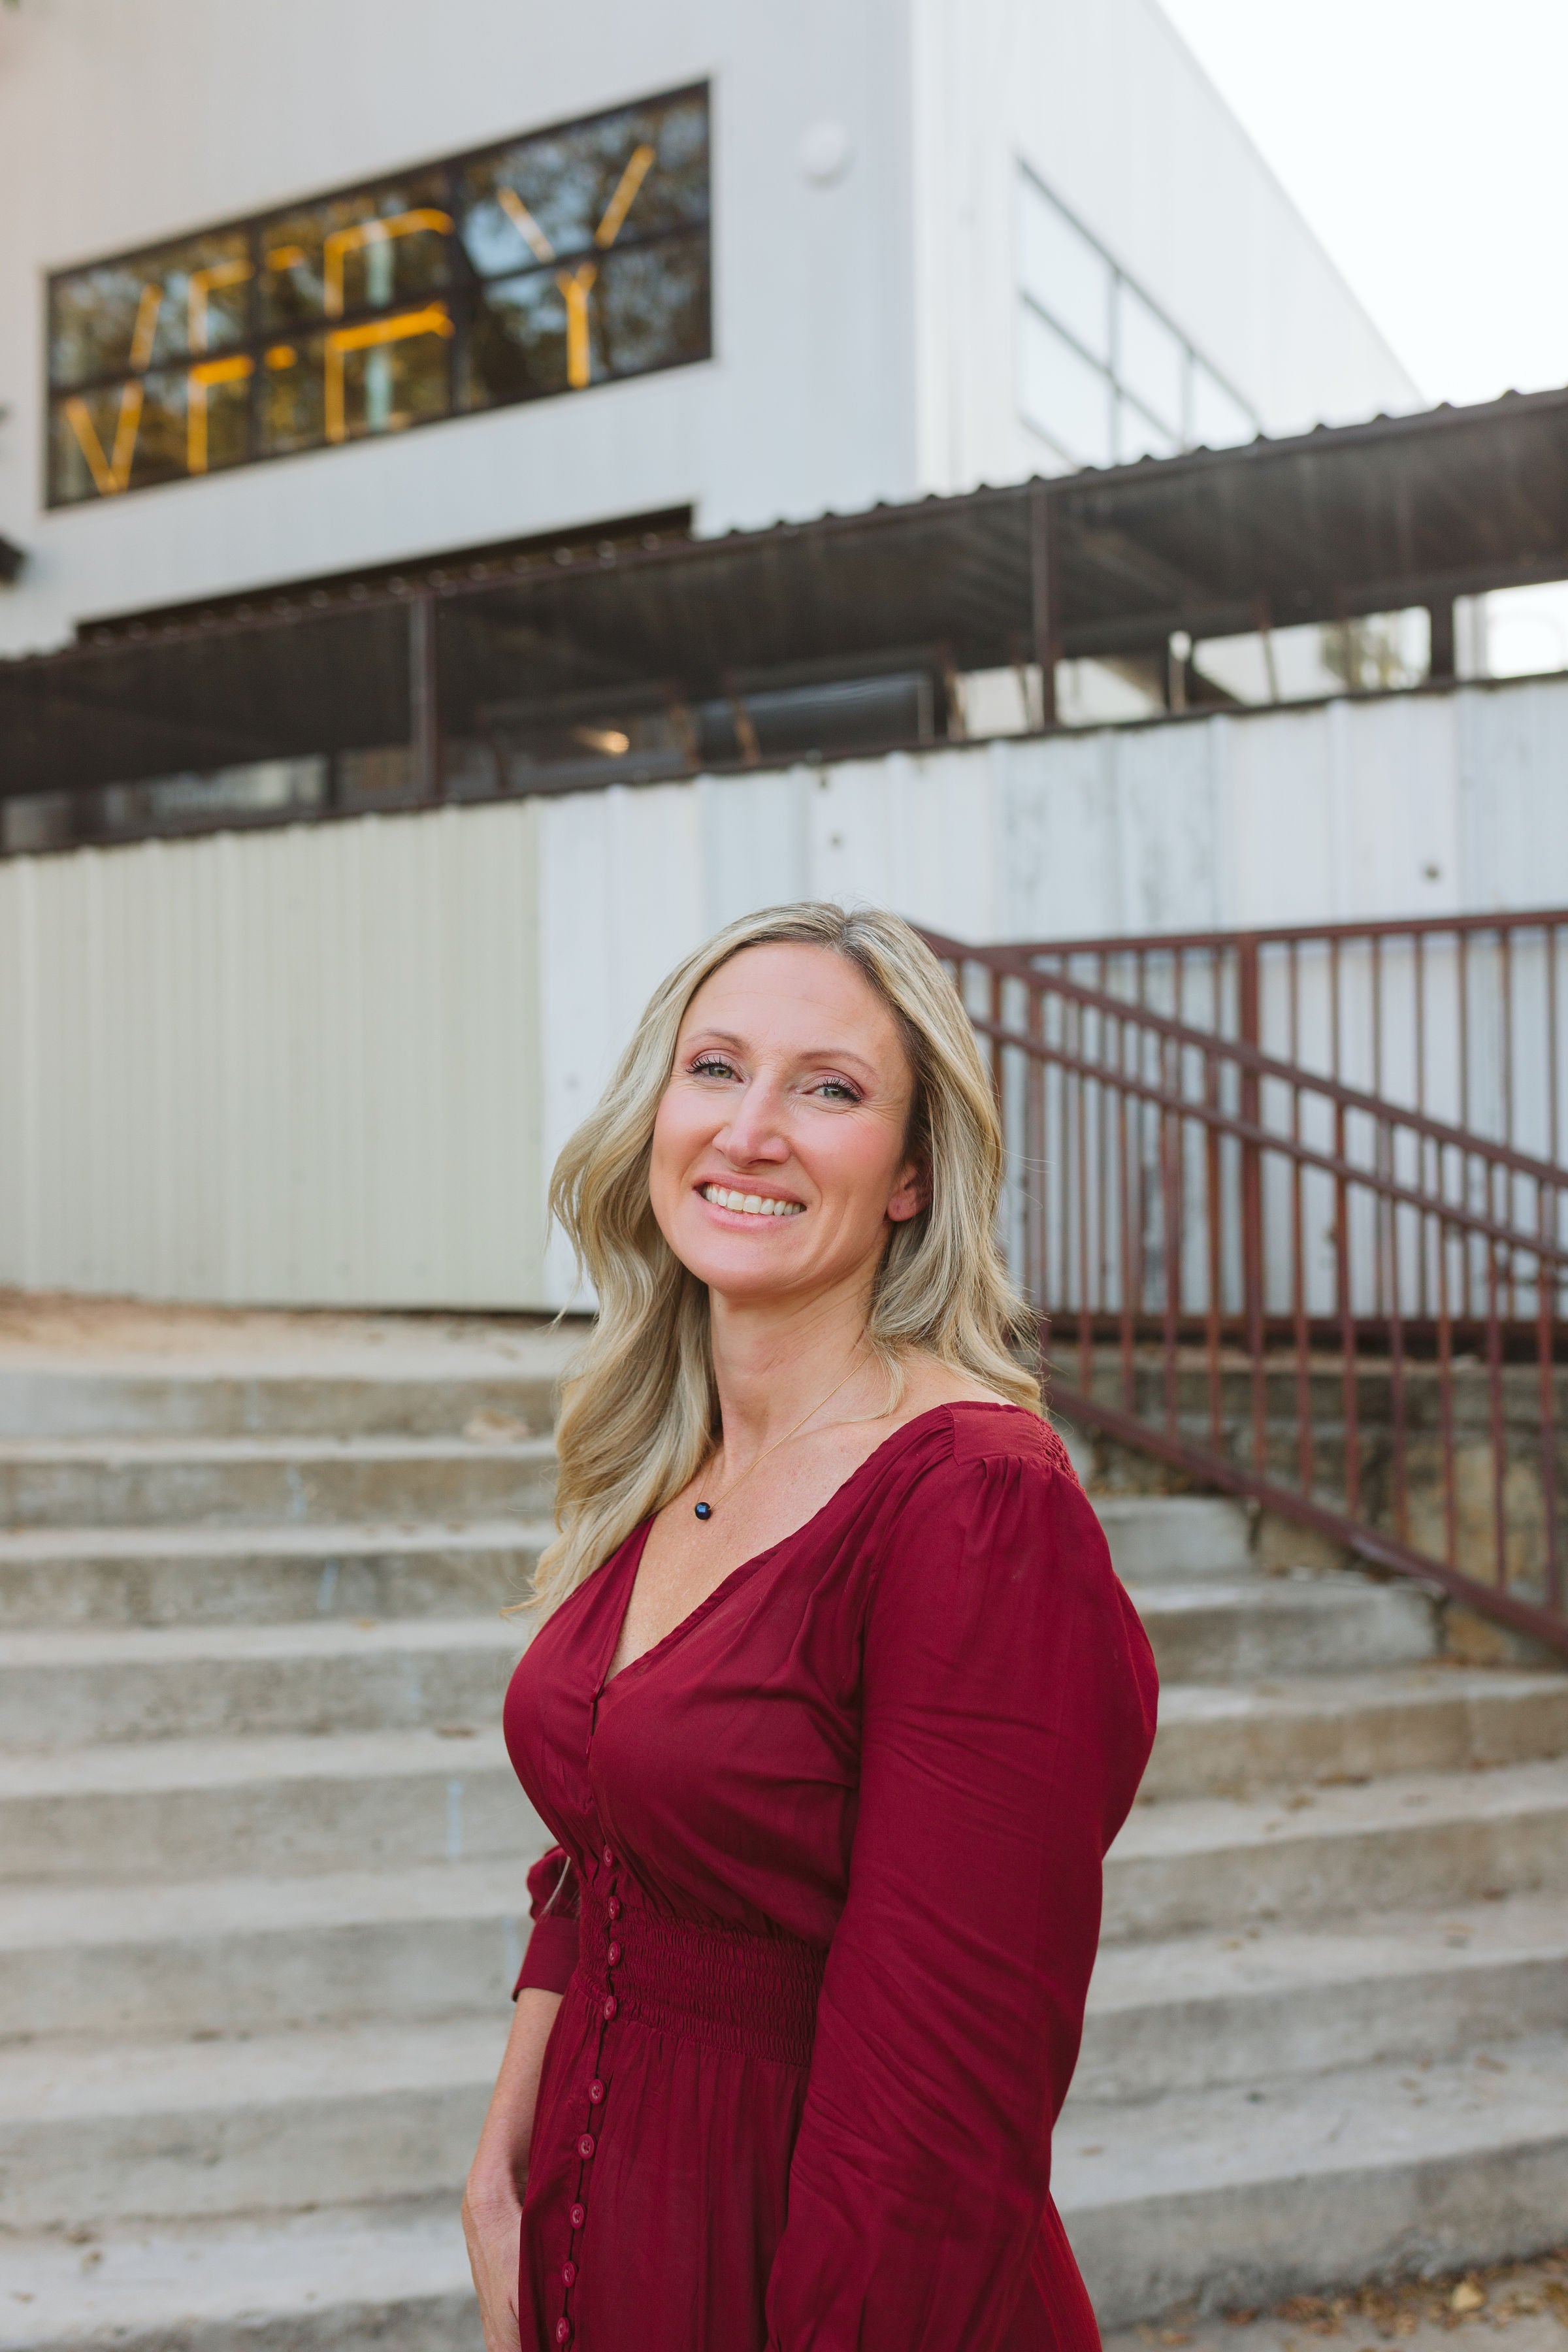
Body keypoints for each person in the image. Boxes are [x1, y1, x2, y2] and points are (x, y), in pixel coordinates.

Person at [463, 902, 1158, 2352]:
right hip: (604, 2238)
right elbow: (603, 1847)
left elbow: (944, 2092)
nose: (752, 1129)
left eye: (828, 1089)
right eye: (715, 1068)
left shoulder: (974, 1503)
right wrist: (500, 2162)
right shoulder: (670, 1461)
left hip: (824, 2269)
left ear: (911, 1176)